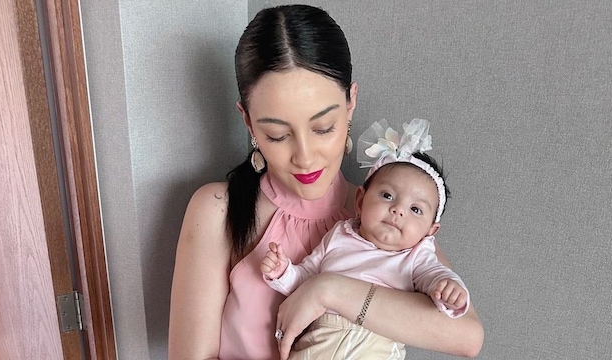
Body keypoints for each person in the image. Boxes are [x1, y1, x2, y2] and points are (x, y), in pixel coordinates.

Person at [168, 4, 484, 360]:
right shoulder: (218, 208)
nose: (305, 157)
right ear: (249, 124)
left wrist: (328, 290)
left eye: (323, 128)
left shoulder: (383, 215)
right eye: (277, 135)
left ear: (350, 103)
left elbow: (467, 337)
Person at [261, 119, 469, 359]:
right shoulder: (338, 236)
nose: (398, 210)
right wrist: (283, 271)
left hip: (375, 342)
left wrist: (448, 287)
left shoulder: (417, 255)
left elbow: (433, 276)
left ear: (430, 231)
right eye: (388, 195)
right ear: (360, 201)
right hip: (319, 340)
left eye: (415, 209)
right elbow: (305, 281)